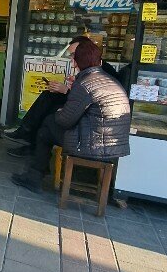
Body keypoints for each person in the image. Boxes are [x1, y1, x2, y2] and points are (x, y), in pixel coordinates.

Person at [11, 39, 131, 193]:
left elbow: (65, 120)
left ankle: (35, 176)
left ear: (76, 62)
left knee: (47, 126)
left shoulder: (86, 83)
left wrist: (60, 111)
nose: (72, 61)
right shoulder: (108, 79)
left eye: (73, 57)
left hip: (93, 145)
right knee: (49, 122)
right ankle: (37, 170)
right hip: (114, 145)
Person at [4, 36, 124, 158]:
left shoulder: (102, 71)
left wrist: (67, 90)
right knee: (48, 96)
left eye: (74, 55)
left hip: (91, 121)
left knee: (50, 115)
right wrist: (72, 86)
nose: (72, 59)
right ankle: (26, 132)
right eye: (71, 55)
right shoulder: (91, 66)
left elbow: (91, 100)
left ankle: (32, 143)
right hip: (84, 110)